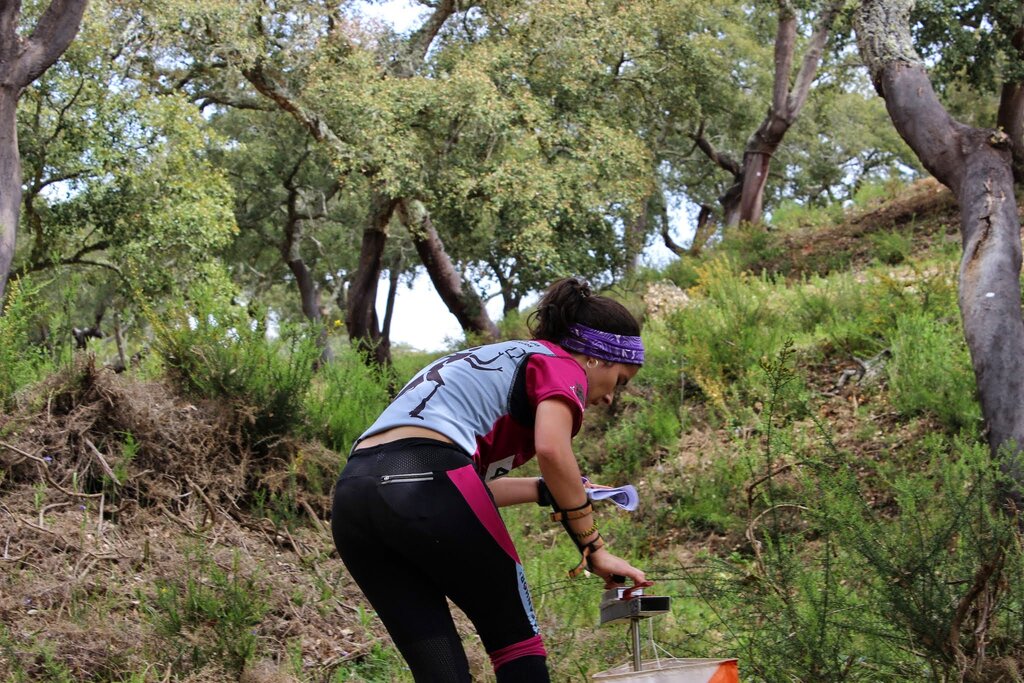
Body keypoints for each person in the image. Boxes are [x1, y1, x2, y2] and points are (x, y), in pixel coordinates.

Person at [330, 277, 647, 682]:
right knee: (517, 645)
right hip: (431, 480)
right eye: (620, 381)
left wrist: (543, 490)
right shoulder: (561, 364)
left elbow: (459, 492)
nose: (608, 398)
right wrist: (593, 547)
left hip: (355, 495)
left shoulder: (495, 359)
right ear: (595, 357)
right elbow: (552, 450)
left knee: (440, 670)